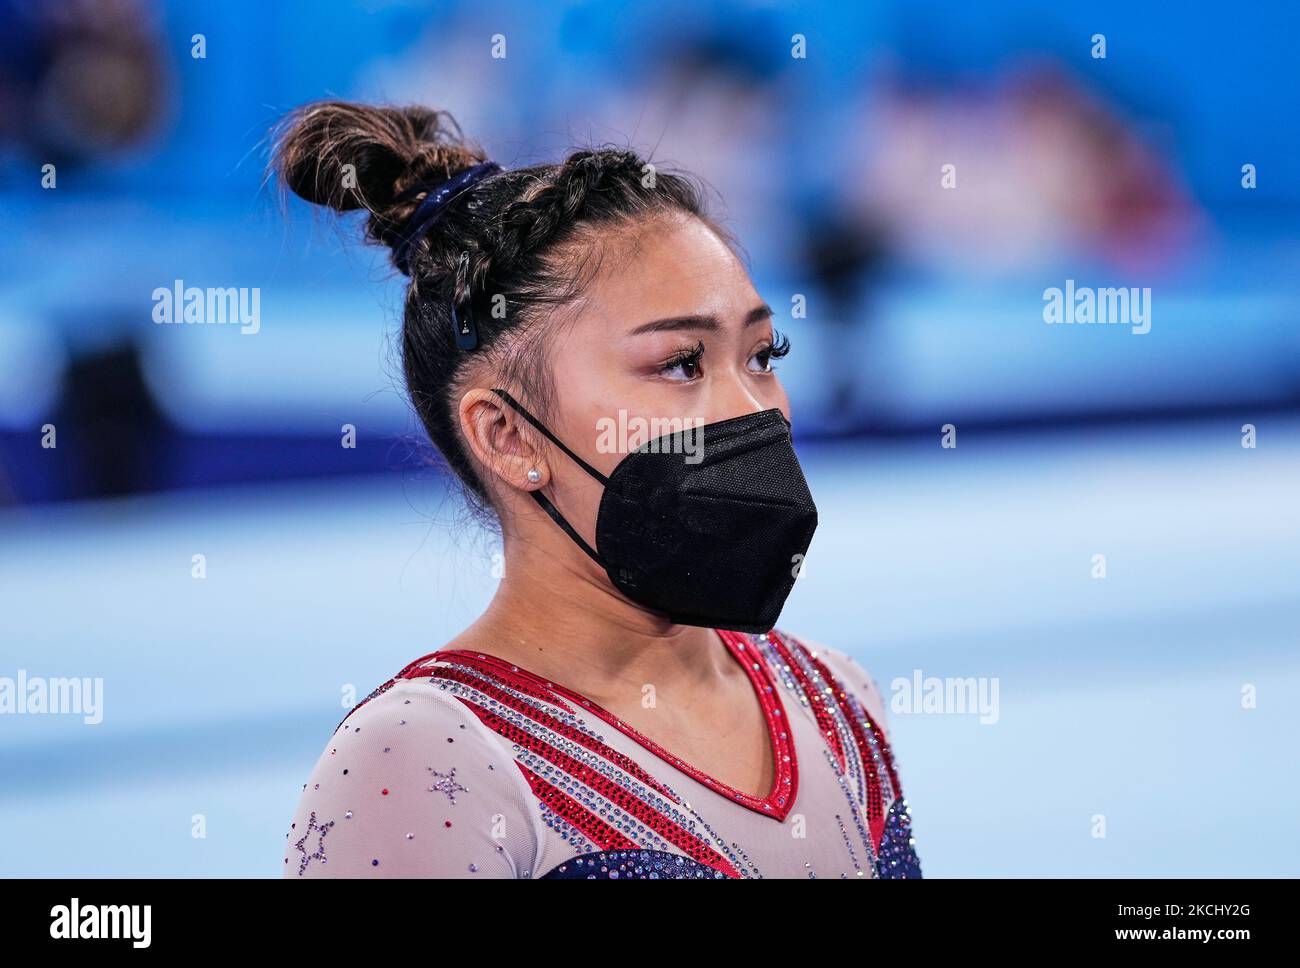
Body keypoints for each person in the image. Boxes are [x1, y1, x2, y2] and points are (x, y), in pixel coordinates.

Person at [274, 101, 920, 879]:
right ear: (507, 436)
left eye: (761, 353)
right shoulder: (425, 763)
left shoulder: (837, 698)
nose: (754, 408)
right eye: (681, 364)